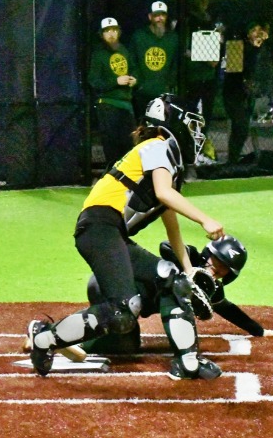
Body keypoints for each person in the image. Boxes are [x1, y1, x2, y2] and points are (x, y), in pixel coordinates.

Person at [26, 93, 226, 379]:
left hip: (112, 233)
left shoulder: (167, 164)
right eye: (191, 125)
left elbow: (171, 225)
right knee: (122, 312)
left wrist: (188, 269)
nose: (195, 134)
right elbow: (163, 194)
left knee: (173, 279)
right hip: (99, 226)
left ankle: (188, 363)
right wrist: (205, 219)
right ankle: (45, 338)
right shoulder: (156, 146)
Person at [83, 235, 273, 355]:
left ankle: (86, 332)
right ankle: (77, 332)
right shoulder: (191, 257)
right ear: (208, 255)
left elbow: (227, 309)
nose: (217, 269)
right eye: (216, 261)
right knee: (122, 321)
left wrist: (259, 331)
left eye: (224, 268)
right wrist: (188, 271)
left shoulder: (210, 288)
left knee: (126, 346)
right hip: (110, 285)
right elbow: (166, 246)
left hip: (128, 302)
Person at [88, 17, 138, 168]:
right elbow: (94, 82)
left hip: (126, 105)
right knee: (111, 145)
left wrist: (134, 80)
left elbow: (134, 69)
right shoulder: (98, 54)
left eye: (114, 30)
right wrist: (115, 81)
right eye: (107, 31)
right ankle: (113, 175)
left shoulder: (124, 50)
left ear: (118, 32)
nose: (111, 34)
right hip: (108, 104)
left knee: (129, 144)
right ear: (102, 34)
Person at [224, 21, 273, 164]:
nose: (257, 34)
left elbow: (265, 71)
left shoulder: (262, 49)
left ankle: (233, 160)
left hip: (249, 94)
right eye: (254, 30)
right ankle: (232, 160)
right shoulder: (237, 46)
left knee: (242, 128)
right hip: (234, 92)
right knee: (240, 127)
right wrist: (254, 50)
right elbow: (236, 72)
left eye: (259, 31)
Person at [184, 0, 222, 164]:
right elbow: (185, 51)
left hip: (209, 79)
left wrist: (208, 57)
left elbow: (215, 57)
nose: (204, 1)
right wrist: (205, 57)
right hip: (193, 78)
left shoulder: (211, 22)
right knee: (191, 117)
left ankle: (200, 153)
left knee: (205, 117)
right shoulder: (188, 21)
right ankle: (190, 154)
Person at [129, 1, 178, 120]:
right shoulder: (139, 36)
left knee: (163, 126)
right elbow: (132, 61)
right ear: (150, 17)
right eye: (156, 15)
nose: (160, 18)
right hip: (143, 92)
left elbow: (176, 64)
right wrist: (139, 83)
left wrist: (169, 84)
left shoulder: (173, 38)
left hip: (164, 93)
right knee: (143, 126)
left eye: (163, 15)